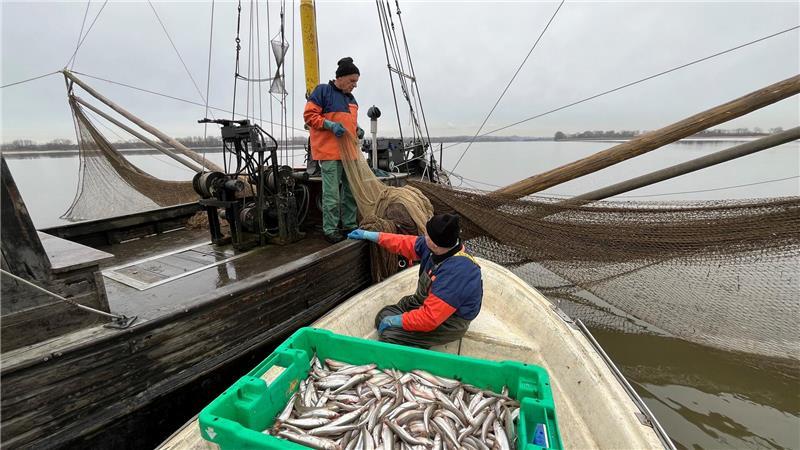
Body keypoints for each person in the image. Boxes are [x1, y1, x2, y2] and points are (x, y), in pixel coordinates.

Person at [347, 214, 483, 348]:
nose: (424, 237)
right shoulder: (438, 247)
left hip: (449, 321)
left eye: (427, 235)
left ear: (435, 245)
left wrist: (397, 321)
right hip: (424, 302)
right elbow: (404, 243)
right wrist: (373, 236)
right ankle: (414, 338)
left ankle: (417, 350)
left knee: (390, 336)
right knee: (383, 316)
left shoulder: (458, 272)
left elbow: (430, 318)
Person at [303, 57, 365, 244]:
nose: (354, 85)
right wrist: (329, 124)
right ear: (342, 77)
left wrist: (357, 128)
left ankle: (349, 225)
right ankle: (330, 229)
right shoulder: (323, 91)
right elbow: (309, 116)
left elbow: (349, 122)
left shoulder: (351, 99)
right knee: (332, 195)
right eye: (352, 81)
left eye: (356, 82)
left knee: (351, 192)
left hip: (350, 154)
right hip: (330, 154)